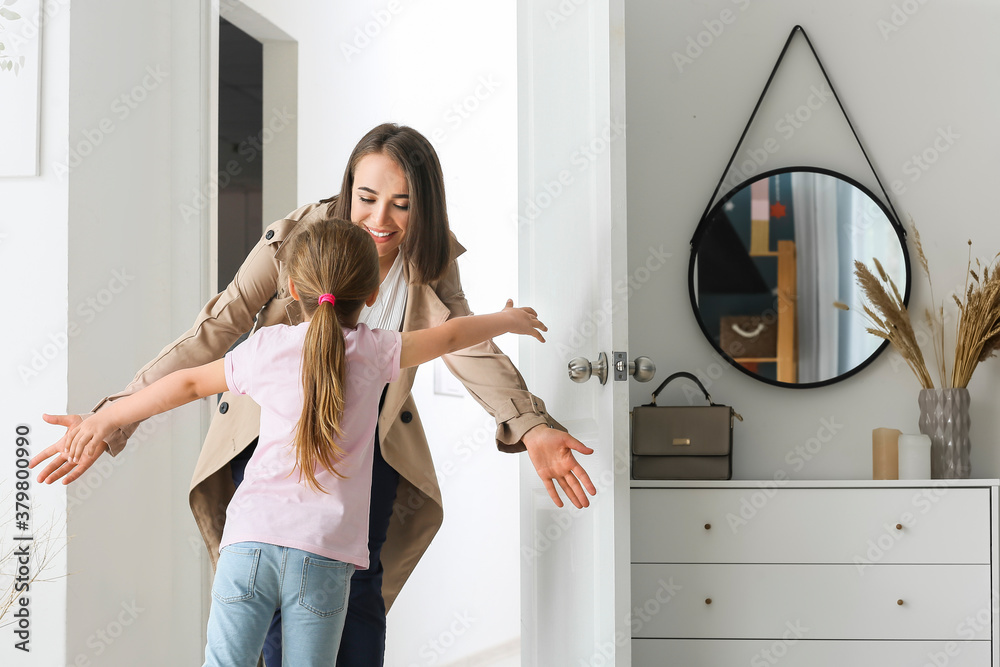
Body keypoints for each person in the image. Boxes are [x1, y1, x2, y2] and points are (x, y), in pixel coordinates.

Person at [30, 123, 596, 666]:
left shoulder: (429, 253)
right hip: (272, 437)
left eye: (402, 204)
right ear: (348, 186)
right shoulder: (298, 239)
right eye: (367, 196)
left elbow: (457, 336)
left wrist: (531, 423)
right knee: (284, 618)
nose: (380, 219)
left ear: (424, 205)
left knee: (360, 600)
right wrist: (115, 415)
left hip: (365, 449)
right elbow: (217, 329)